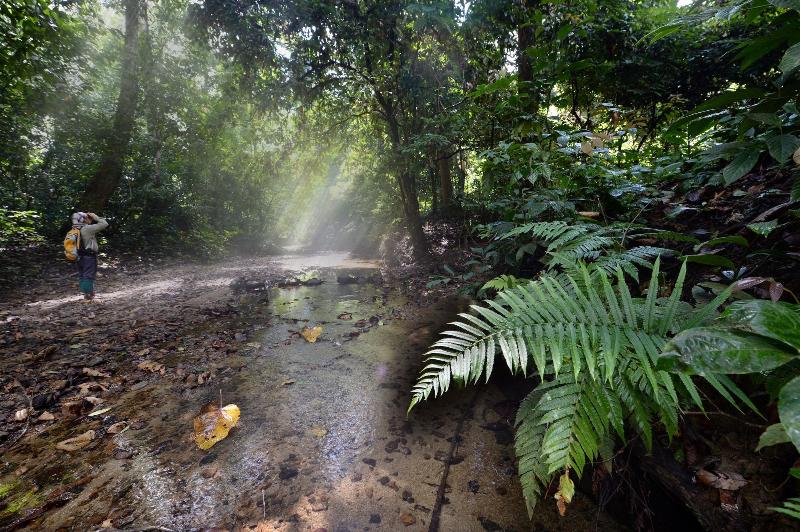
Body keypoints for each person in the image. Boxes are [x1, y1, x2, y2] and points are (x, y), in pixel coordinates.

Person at [71, 212, 109, 300]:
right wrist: (95, 216)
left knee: (82, 274)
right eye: (87, 217)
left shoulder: (73, 229)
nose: (89, 219)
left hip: (78, 257)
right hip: (89, 256)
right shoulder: (87, 229)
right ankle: (88, 295)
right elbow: (104, 224)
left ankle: (86, 293)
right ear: (83, 219)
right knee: (89, 274)